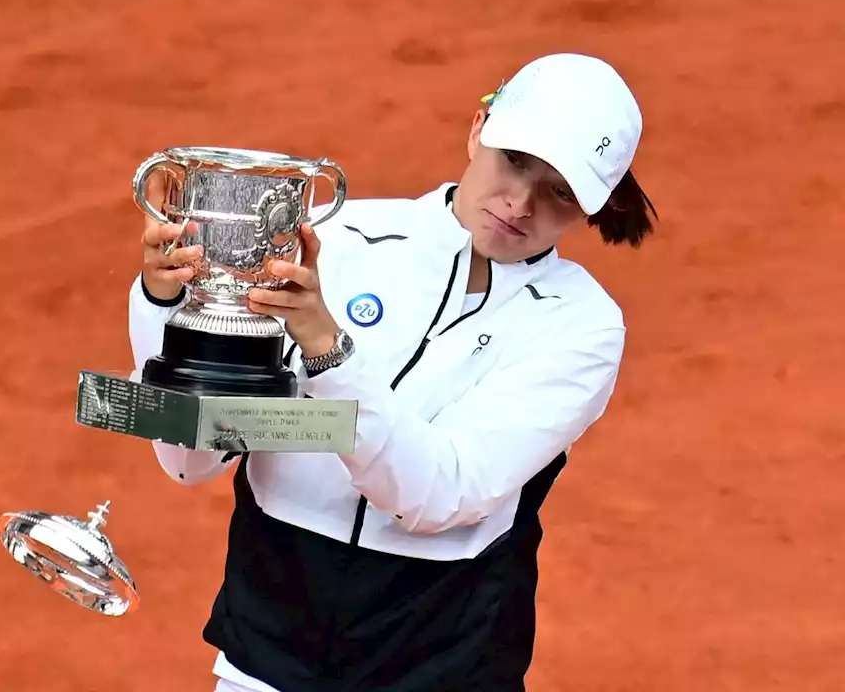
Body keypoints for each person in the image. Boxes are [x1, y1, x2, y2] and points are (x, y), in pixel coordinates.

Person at [128, 52, 657, 691]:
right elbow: (190, 459)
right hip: (265, 661)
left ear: (592, 208)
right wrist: (166, 308)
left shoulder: (581, 327)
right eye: (515, 161)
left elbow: (440, 493)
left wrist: (326, 354)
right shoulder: (339, 237)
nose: (520, 204)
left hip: (443, 669)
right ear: (478, 127)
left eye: (561, 193)